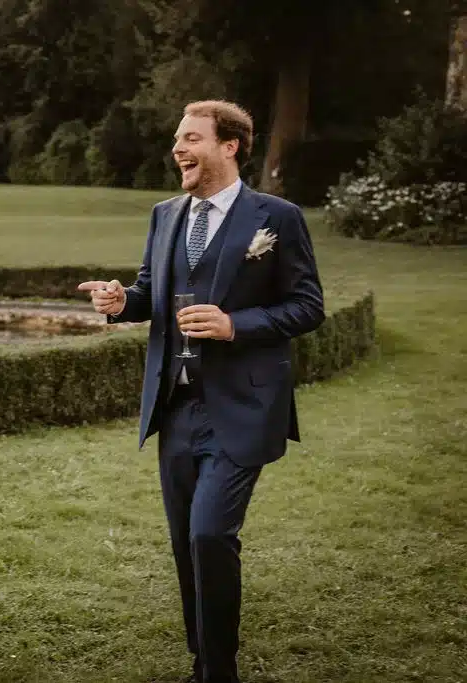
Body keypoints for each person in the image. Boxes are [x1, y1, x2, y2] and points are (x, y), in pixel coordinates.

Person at [79, 101, 325, 683]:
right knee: (185, 545)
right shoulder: (166, 214)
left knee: (211, 534)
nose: (177, 148)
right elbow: (149, 292)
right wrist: (122, 304)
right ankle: (204, 663)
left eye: (190, 138)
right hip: (176, 407)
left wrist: (236, 325)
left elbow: (308, 305)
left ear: (229, 146)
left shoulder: (277, 217)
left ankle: (220, 672)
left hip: (242, 406)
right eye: (176, 139)